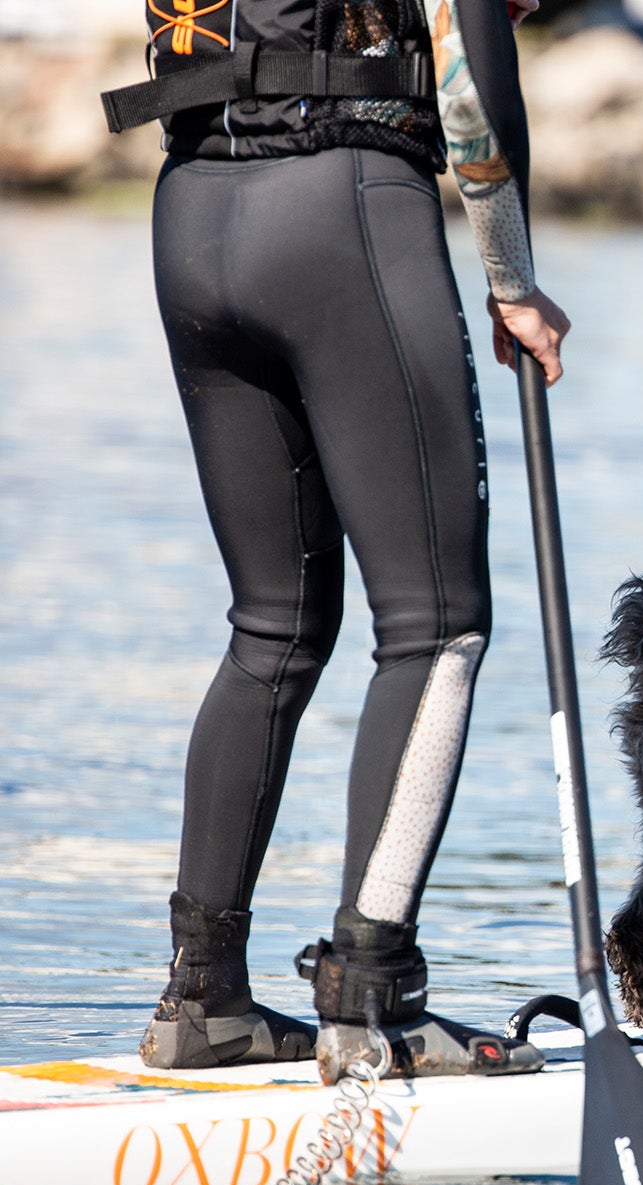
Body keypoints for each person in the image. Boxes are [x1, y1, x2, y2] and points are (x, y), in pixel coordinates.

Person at [103, 0, 572, 1082]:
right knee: (438, 627)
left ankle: (202, 1001)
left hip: (192, 215)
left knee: (272, 626)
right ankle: (372, 998)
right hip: (340, 210)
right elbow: (470, 74)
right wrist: (512, 280)